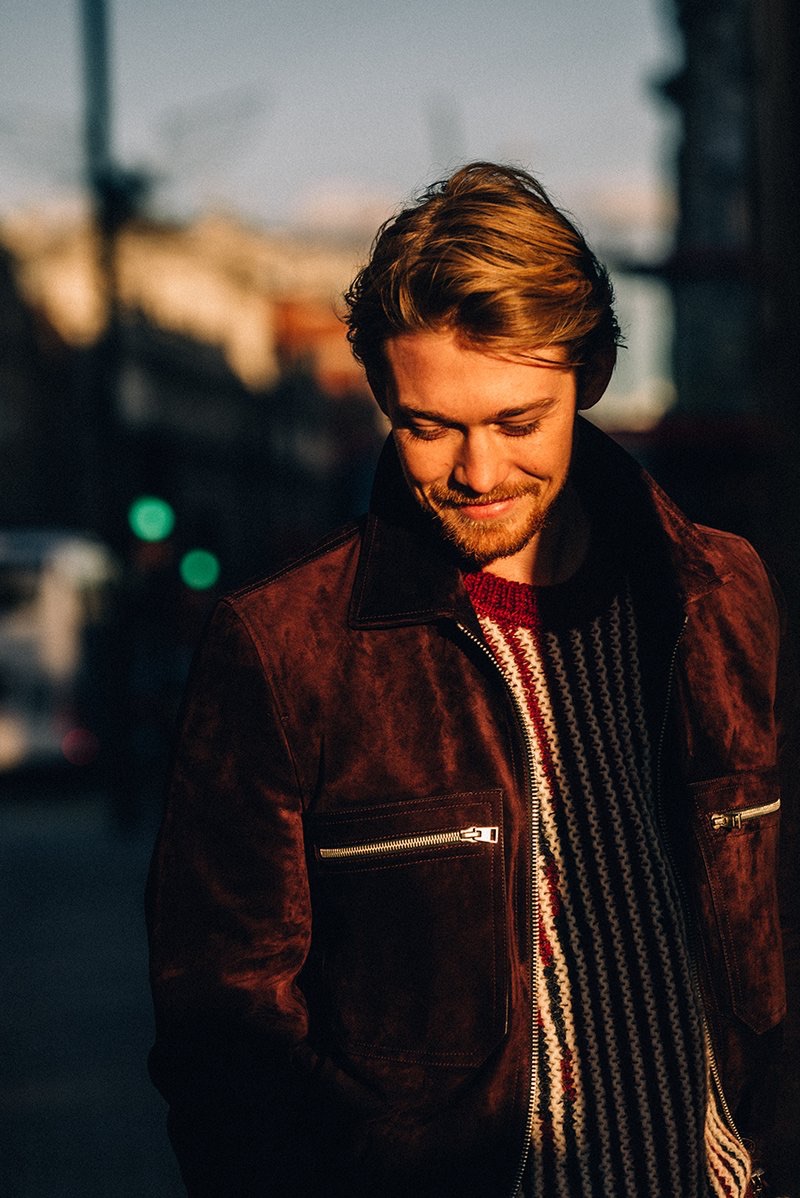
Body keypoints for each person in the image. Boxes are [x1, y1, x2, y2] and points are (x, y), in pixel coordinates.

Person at [146, 163, 796, 1198]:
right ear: (379, 399)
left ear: (587, 376)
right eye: (428, 424)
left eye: (515, 420)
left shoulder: (718, 593)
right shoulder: (283, 646)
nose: (477, 473)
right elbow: (223, 1042)